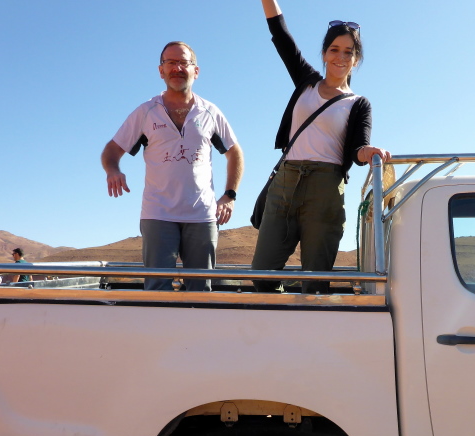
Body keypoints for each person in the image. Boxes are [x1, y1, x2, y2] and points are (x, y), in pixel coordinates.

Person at [251, 0, 391, 294]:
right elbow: (281, 34)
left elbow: (358, 147)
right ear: (325, 53)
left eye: (348, 52)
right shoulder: (306, 81)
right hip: (285, 182)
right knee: (262, 274)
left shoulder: (359, 104)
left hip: (325, 188)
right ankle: (275, 320)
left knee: (315, 282)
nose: (341, 57)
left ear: (356, 60)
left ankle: (307, 322)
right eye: (334, 49)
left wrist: (367, 153)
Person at [101, 42, 244, 292]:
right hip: (158, 213)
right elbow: (112, 150)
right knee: (157, 289)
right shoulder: (146, 112)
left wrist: (229, 196)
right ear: (161, 70)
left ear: (195, 71)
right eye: (170, 63)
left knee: (200, 291)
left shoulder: (210, 112)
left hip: (202, 215)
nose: (177, 68)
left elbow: (235, 153)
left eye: (183, 63)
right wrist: (113, 170)